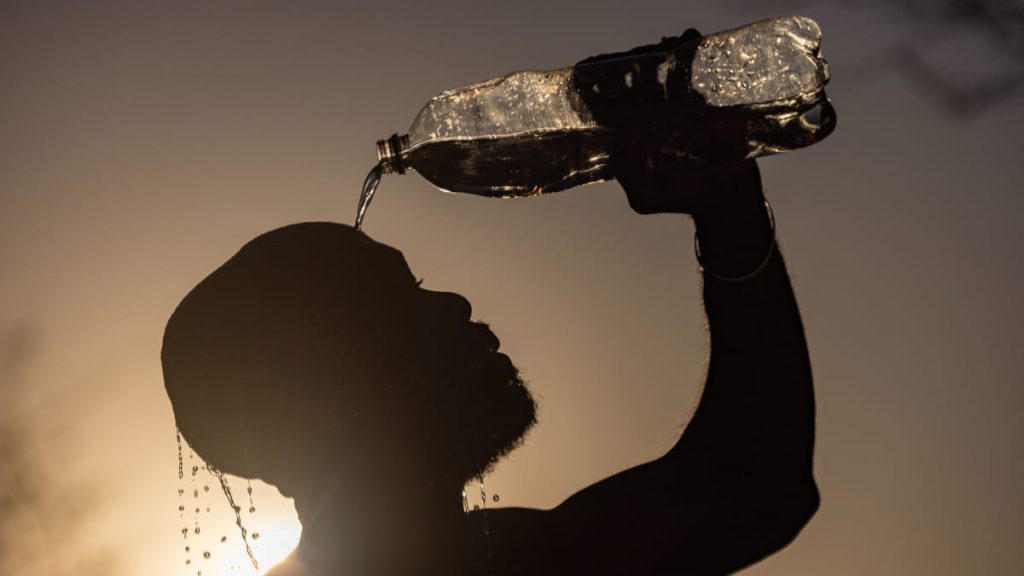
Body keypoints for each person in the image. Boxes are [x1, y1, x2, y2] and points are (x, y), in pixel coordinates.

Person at [161, 125, 819, 575]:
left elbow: (754, 488)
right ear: (314, 394)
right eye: (392, 301)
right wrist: (729, 221)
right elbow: (752, 490)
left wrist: (728, 209)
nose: (454, 304)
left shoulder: (503, 559)